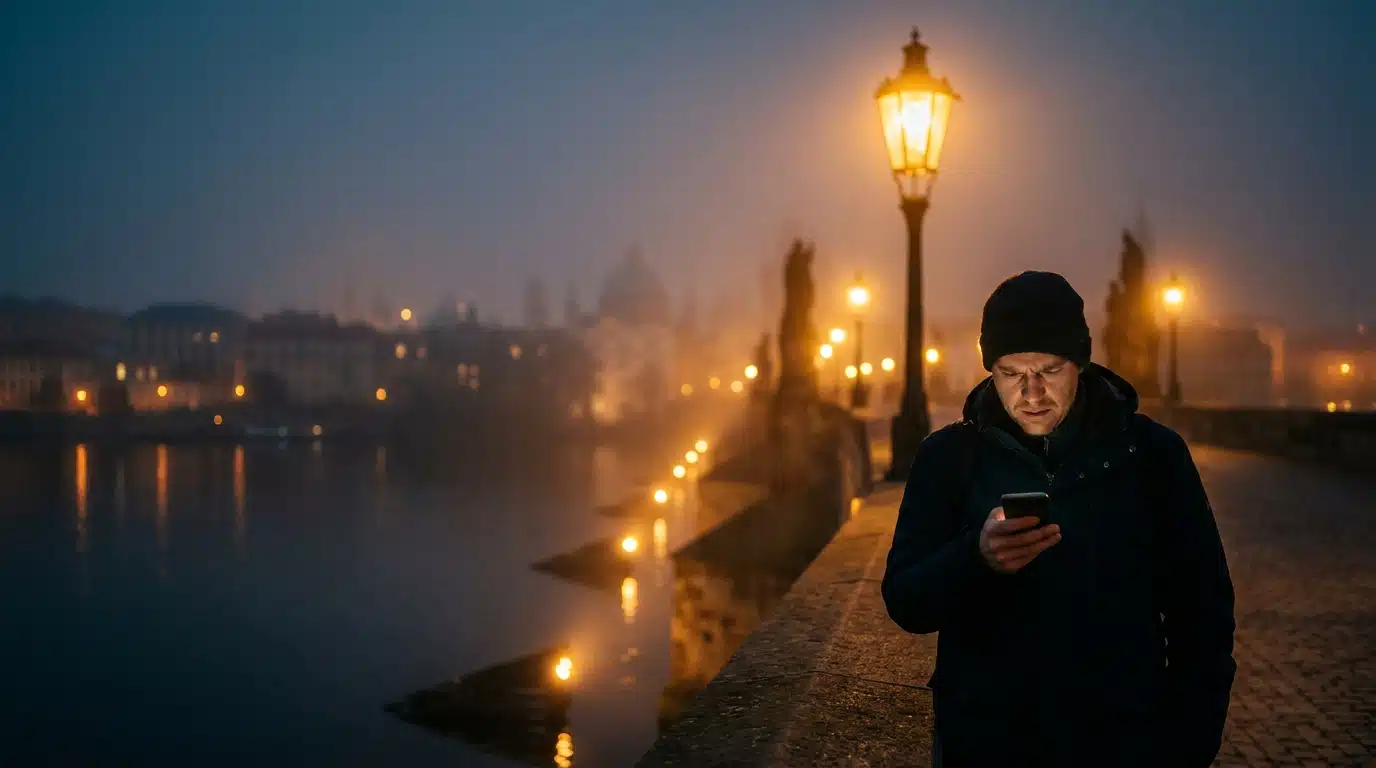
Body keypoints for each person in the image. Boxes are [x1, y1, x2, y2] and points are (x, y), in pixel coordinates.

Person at [881, 271, 1236, 767]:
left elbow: (1203, 616)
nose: (1031, 392)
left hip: (1121, 743)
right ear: (990, 369)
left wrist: (1188, 747)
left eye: (1049, 370)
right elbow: (905, 601)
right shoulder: (948, 458)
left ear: (1081, 363)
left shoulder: (1153, 456)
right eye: (1010, 373)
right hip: (987, 744)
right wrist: (975, 557)